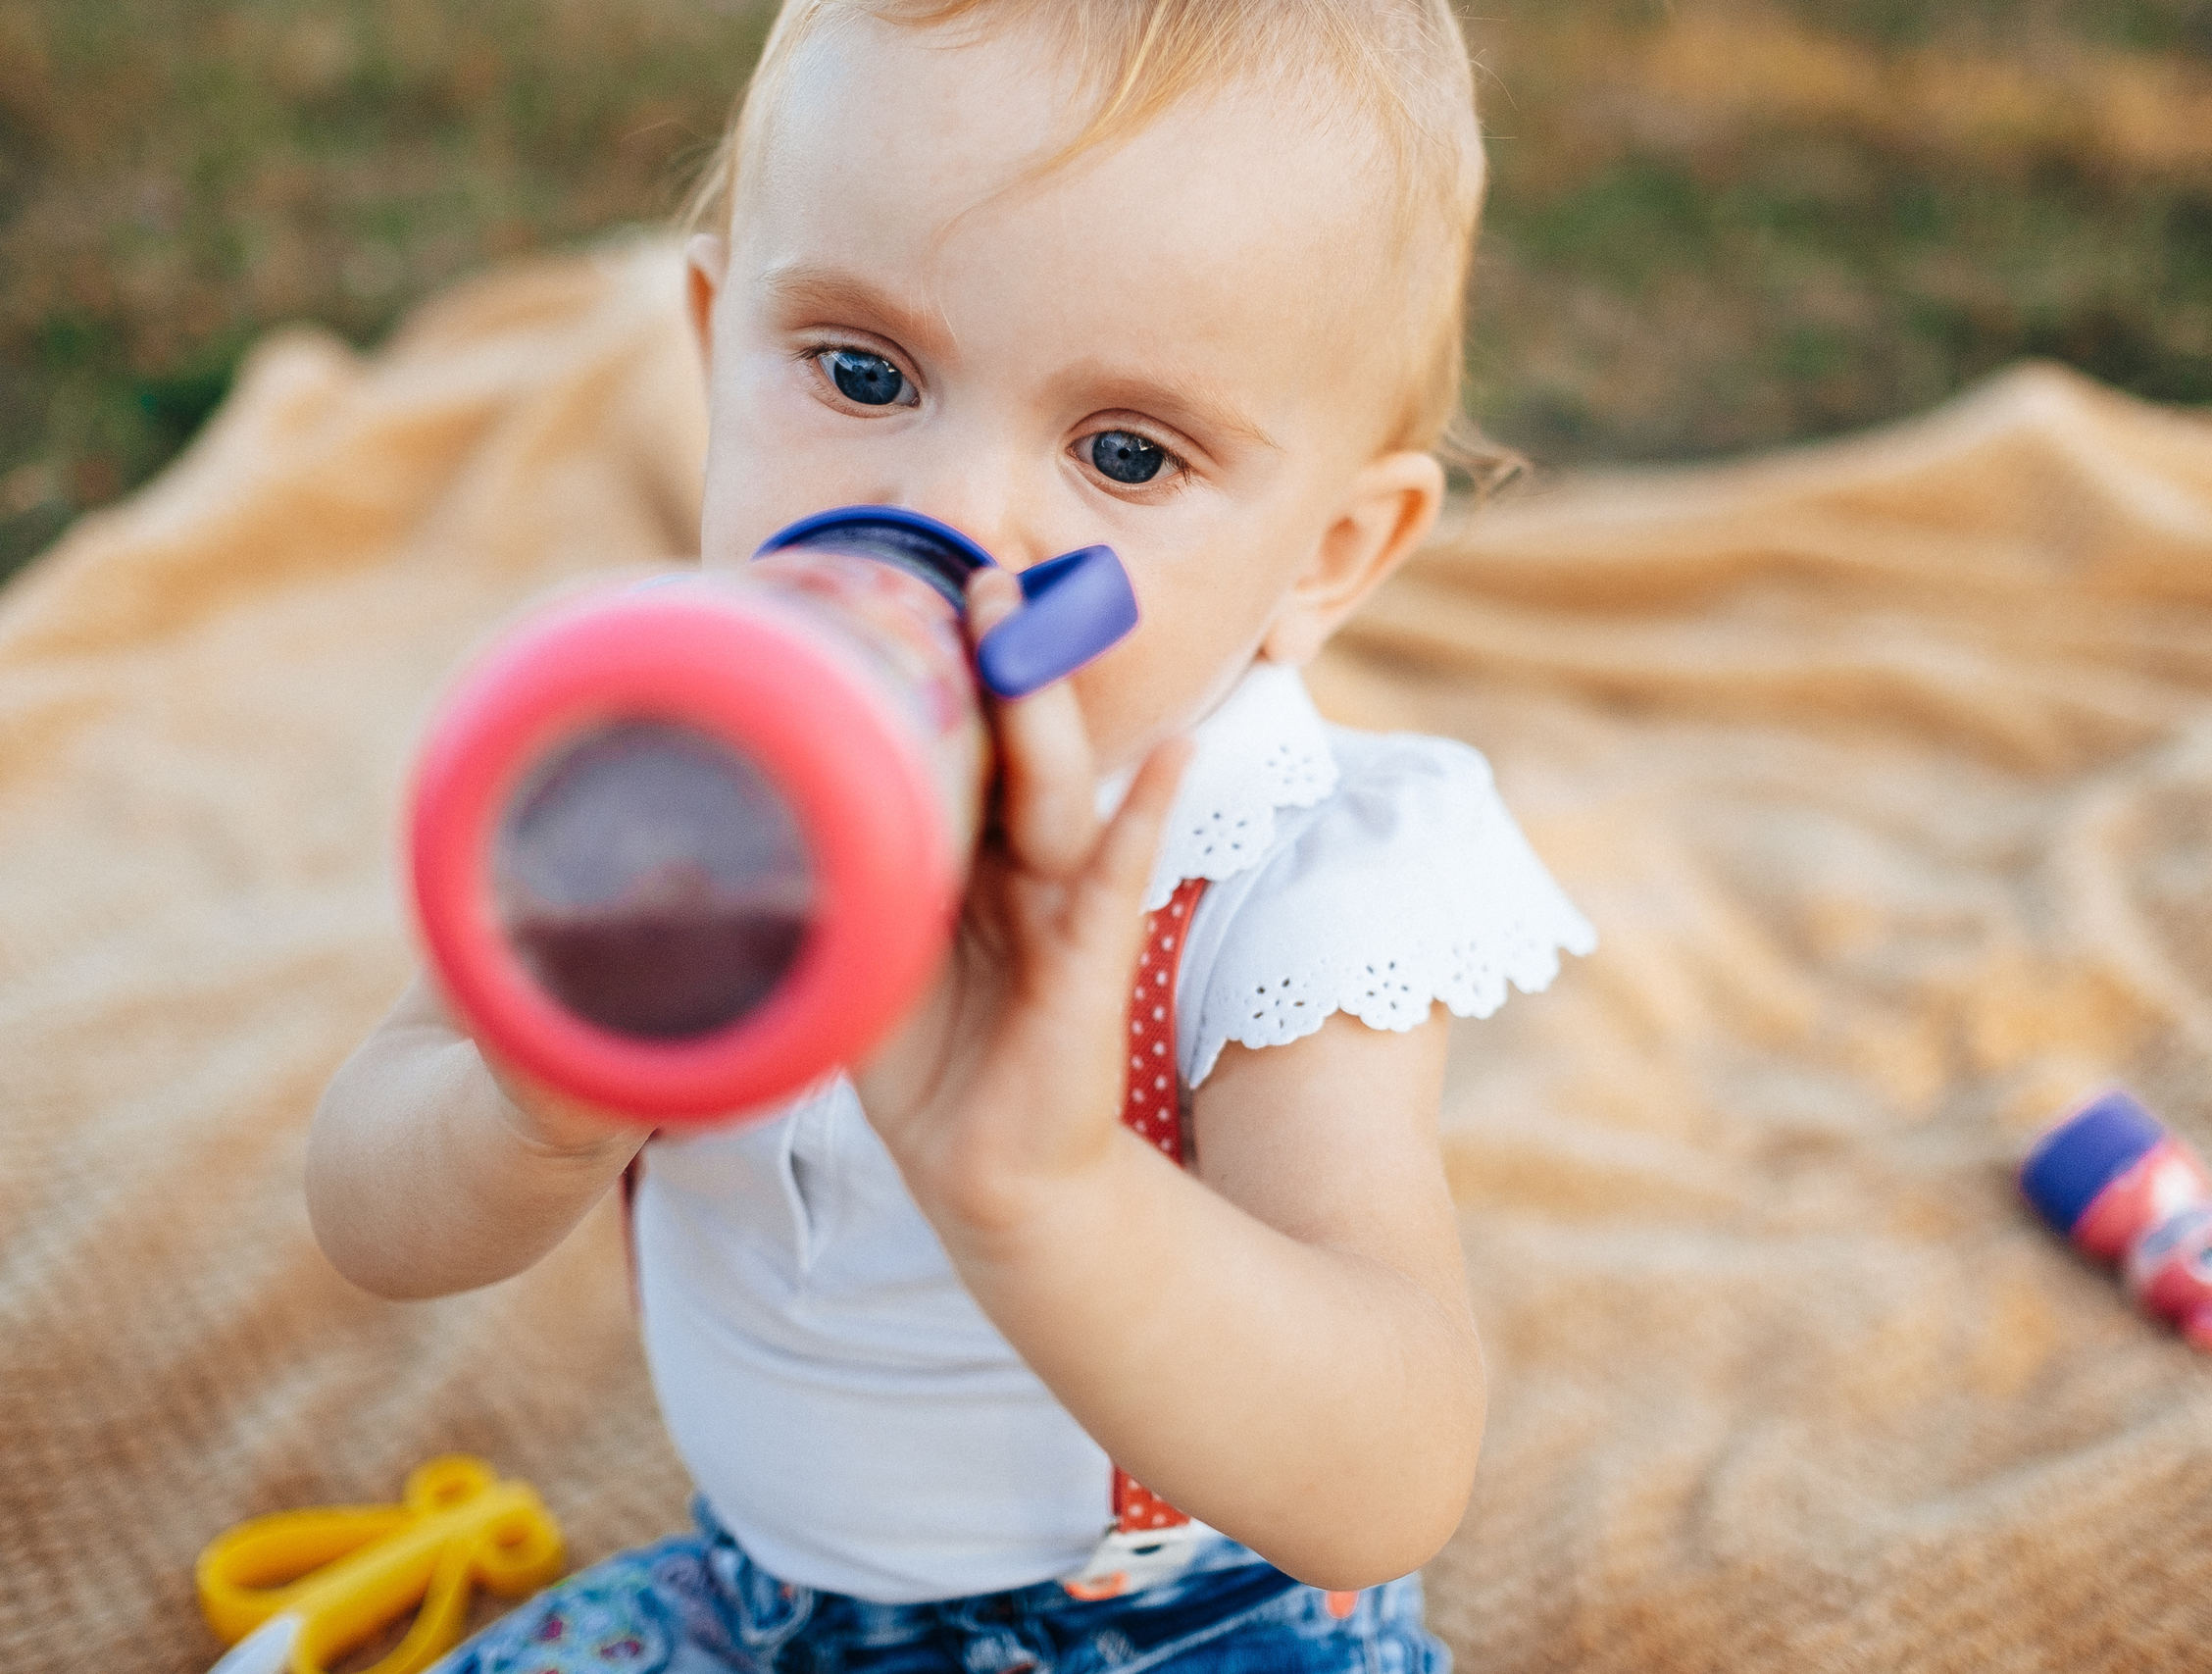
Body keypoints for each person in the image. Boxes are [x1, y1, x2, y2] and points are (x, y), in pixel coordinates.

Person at [307, 2, 1596, 1669]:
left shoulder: (1274, 869)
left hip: (1193, 1623)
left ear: (1327, 556)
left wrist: (1049, 1192)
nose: (956, 515)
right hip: (775, 1599)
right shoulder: (659, 761)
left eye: (1127, 453)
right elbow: (369, 1213)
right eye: (863, 373)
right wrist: (533, 1106)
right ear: (712, 348)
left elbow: (1388, 1473)